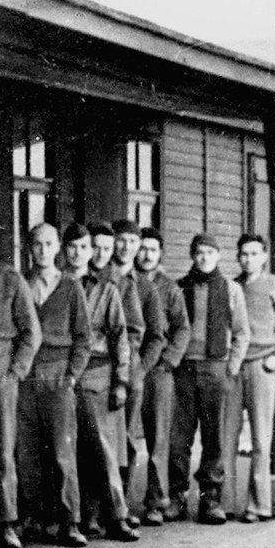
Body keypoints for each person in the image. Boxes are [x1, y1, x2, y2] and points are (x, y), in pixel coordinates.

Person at [16, 223, 92, 548]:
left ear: (58, 247)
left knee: (62, 451)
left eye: (49, 244)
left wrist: (71, 375)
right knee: (27, 451)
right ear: (29, 248)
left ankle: (69, 521)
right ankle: (32, 518)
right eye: (37, 244)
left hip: (58, 375)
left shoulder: (71, 287)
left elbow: (84, 338)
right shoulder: (20, 285)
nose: (43, 250)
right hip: (27, 376)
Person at [221, 234, 275, 523]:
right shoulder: (232, 287)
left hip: (261, 367)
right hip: (233, 367)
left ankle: (259, 505)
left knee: (260, 439)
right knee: (227, 437)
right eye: (243, 254)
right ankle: (225, 504)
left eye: (254, 254)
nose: (248, 259)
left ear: (264, 257)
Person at [64, 223, 138, 542]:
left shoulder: (107, 290)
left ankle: (116, 516)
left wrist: (121, 381)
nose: (82, 253)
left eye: (88, 247)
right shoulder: (58, 284)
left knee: (104, 451)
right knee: (70, 450)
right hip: (64, 372)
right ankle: (78, 518)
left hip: (96, 374)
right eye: (76, 246)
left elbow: (121, 338)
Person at [169, 234, 250, 524]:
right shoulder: (179, 287)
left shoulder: (231, 289)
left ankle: (210, 498)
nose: (204, 258)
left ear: (218, 256)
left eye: (210, 252)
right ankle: (177, 497)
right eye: (199, 252)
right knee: (179, 437)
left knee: (214, 438)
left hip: (216, 369)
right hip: (184, 370)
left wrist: (232, 368)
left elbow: (241, 333)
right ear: (192, 255)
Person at [0, 215, 42, 548]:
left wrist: (15, 372)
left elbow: (32, 333)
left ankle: (6, 523)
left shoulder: (11, 279)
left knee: (3, 451)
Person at [106, 219, 166, 507]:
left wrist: (140, 369)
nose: (126, 247)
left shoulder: (145, 287)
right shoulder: (100, 277)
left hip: (130, 373)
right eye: (121, 240)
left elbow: (156, 336)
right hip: (100, 370)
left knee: (127, 440)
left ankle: (122, 504)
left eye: (132, 241)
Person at [88, 222, 149, 500]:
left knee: (120, 439)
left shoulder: (123, 283)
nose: (100, 254)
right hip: (89, 369)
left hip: (116, 368)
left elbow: (134, 331)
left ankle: (118, 499)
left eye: (106, 248)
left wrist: (120, 364)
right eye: (95, 247)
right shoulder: (79, 278)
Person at [134, 227, 190, 524]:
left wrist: (168, 361)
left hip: (158, 371)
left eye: (152, 250)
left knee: (158, 437)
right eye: (142, 248)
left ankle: (156, 501)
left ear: (160, 254)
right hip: (130, 366)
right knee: (125, 437)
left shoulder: (169, 288)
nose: (146, 255)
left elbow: (182, 328)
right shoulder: (127, 282)